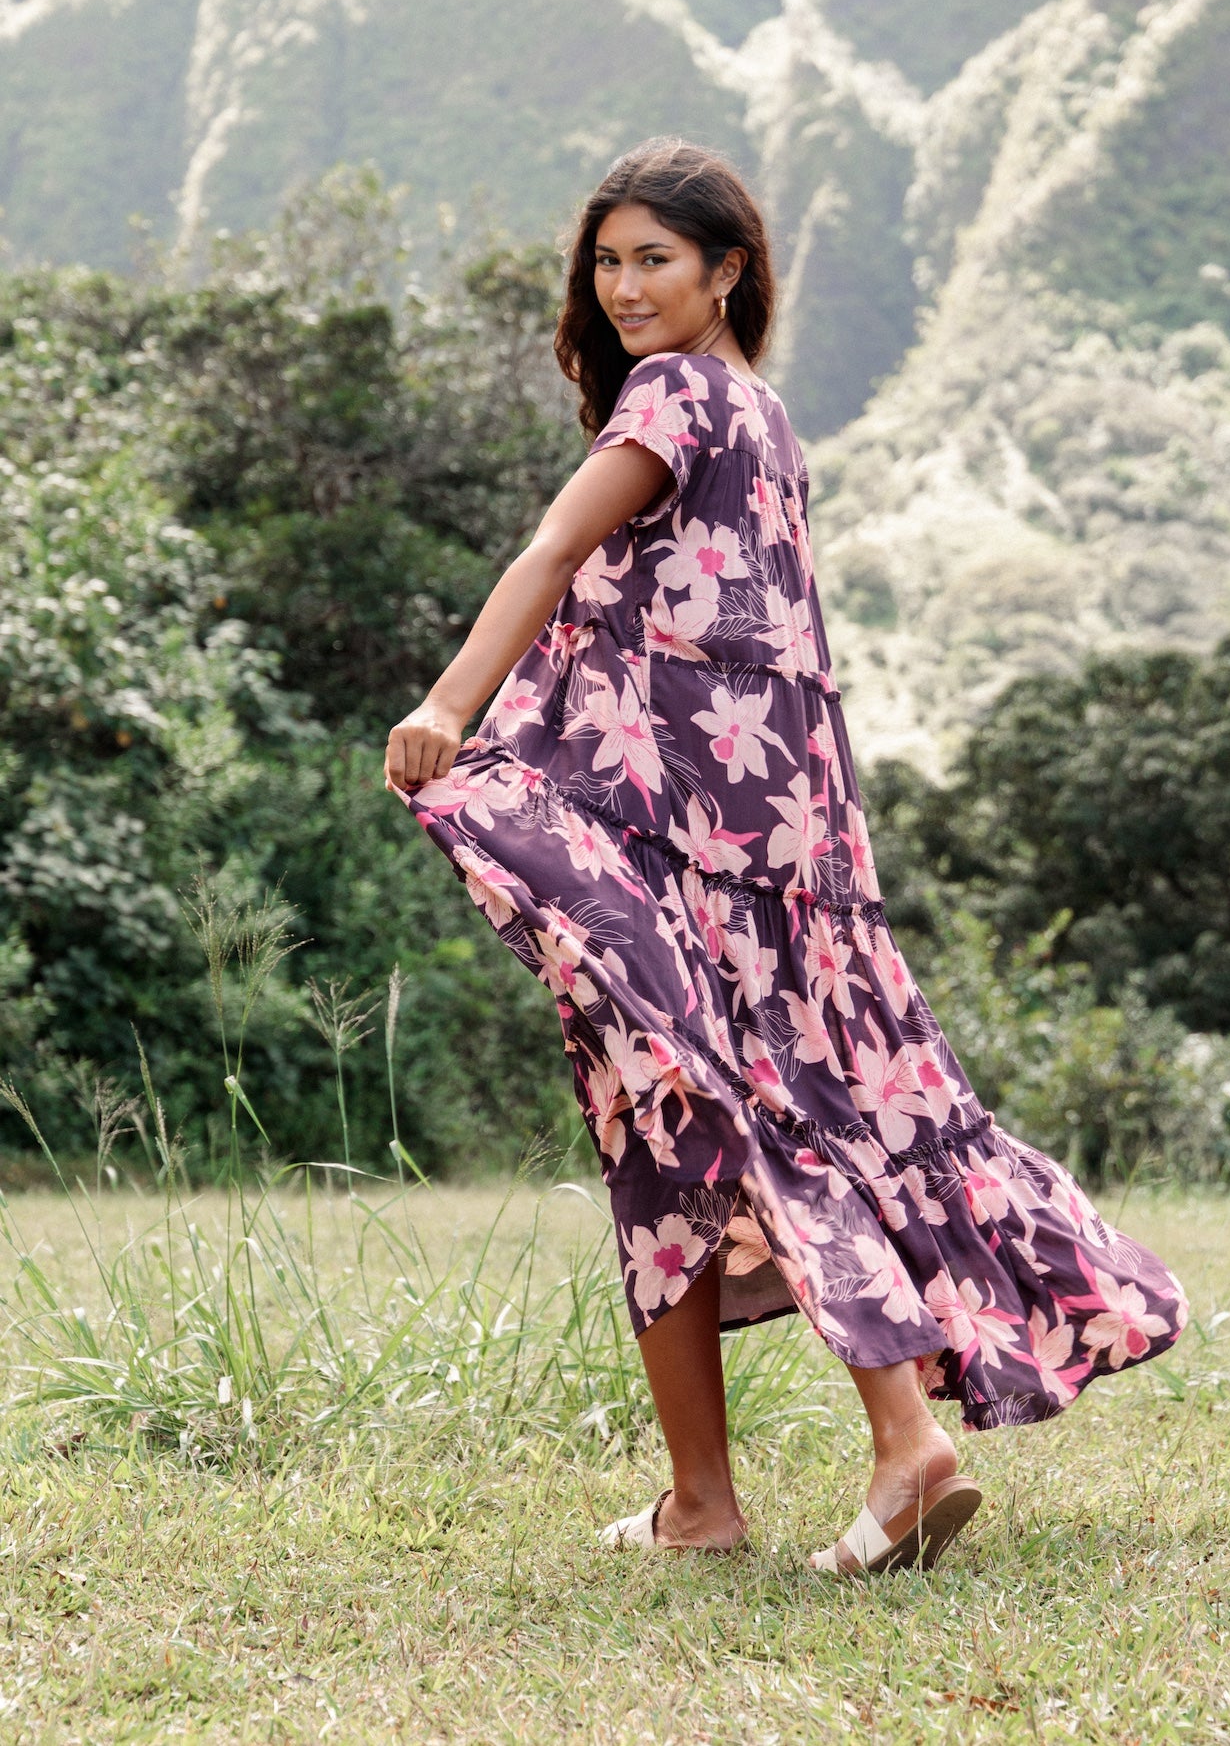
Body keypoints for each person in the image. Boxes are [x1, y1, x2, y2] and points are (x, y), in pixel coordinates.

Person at [385, 140, 1186, 1574]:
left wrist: (451, 706)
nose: (624, 287)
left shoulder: (675, 396)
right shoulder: (763, 413)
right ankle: (701, 1502)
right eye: (608, 261)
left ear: (728, 271)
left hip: (673, 825)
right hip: (778, 833)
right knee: (682, 1125)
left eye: (655, 259)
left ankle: (904, 1441)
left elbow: (553, 552)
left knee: (720, 1108)